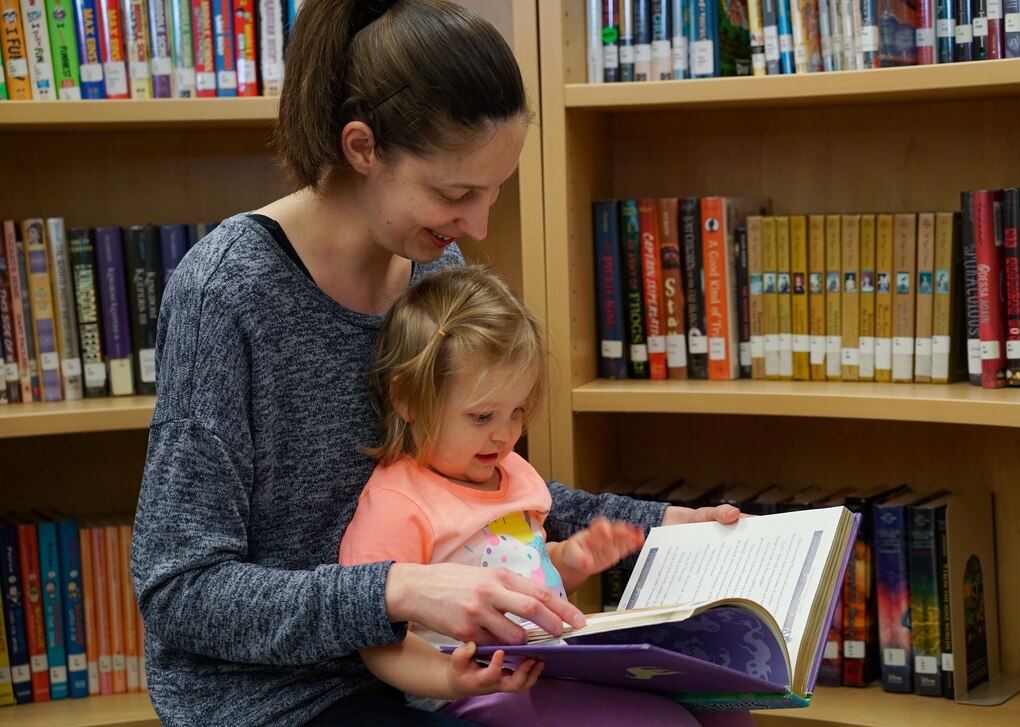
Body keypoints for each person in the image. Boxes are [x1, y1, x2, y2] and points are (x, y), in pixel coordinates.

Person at [130, 1, 744, 725]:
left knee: (717, 708)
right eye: (456, 194)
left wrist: (666, 522)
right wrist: (397, 590)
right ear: (363, 148)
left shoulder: (431, 266)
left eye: (494, 193)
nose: (478, 227)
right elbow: (179, 590)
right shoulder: (224, 293)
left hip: (442, 660)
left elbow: (480, 486)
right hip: (283, 695)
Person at [341, 265, 731, 724]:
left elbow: (522, 565)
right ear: (407, 399)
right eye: (482, 417)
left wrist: (569, 560)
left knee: (723, 708)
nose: (505, 435)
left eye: (518, 410)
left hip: (550, 664)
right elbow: (375, 638)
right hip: (478, 691)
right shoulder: (398, 502)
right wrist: (452, 678)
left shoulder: (510, 472)